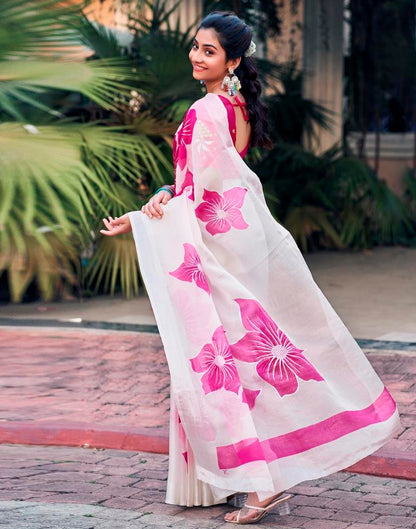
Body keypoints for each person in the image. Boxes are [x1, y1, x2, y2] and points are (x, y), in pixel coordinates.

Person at [100, 11, 401, 525]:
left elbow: (202, 192)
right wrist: (162, 199)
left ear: (233, 60)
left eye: (209, 51)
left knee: (228, 366)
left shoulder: (206, 110)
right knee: (241, 363)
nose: (196, 56)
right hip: (229, 246)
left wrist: (145, 213)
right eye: (196, 47)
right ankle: (231, 479)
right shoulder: (235, 107)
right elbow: (206, 185)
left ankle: (260, 484)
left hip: (215, 254)